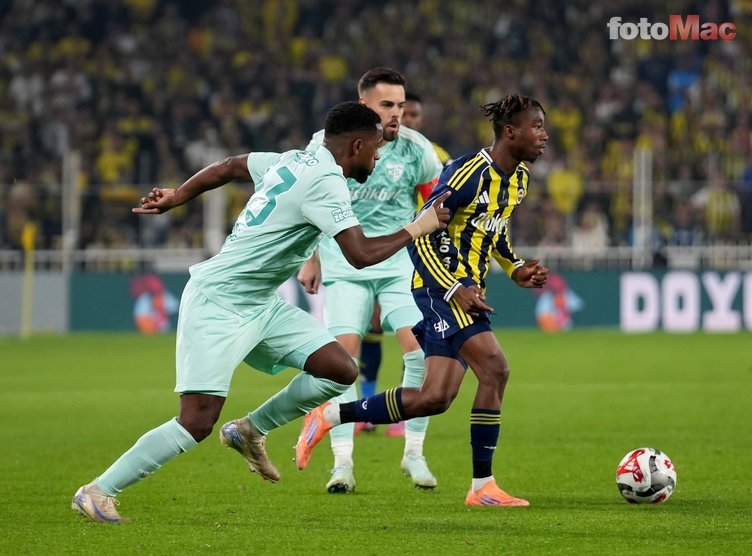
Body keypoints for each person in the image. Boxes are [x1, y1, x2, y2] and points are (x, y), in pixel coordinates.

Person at [71, 101, 450, 523]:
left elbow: (231, 166)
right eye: (375, 149)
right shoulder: (326, 182)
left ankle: (251, 430)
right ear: (357, 145)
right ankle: (98, 491)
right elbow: (360, 255)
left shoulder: (293, 159)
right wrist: (419, 225)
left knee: (340, 370)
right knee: (196, 422)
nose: (377, 158)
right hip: (219, 303)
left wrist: (179, 195)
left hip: (262, 304)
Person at [296, 94, 550, 507]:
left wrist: (515, 266)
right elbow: (423, 234)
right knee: (495, 369)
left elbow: (494, 229)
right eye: (536, 126)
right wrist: (453, 288)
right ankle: (482, 486)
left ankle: (329, 416)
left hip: (466, 291)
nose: (544, 135)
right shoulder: (466, 173)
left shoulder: (519, 178)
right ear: (510, 132)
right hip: (441, 289)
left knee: (435, 397)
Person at [296, 68, 443, 494]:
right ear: (364, 106)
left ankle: (413, 452)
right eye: (387, 105)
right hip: (345, 266)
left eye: (401, 105)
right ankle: (342, 464)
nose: (397, 113)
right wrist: (311, 257)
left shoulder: (418, 150)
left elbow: (435, 208)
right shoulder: (327, 145)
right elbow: (306, 200)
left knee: (421, 353)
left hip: (399, 265)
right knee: (343, 363)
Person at [360, 91, 455, 439]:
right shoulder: (378, 149)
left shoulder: (433, 155)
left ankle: (403, 409)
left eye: (412, 114)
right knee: (371, 324)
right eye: (403, 112)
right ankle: (367, 405)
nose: (407, 119)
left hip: (420, 249)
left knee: (413, 331)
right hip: (388, 244)